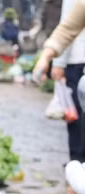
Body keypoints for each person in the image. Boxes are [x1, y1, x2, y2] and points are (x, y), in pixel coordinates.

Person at [35, 0, 85, 162]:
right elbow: (68, 27)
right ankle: (78, 163)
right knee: (77, 118)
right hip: (75, 62)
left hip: (76, 62)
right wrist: (48, 57)